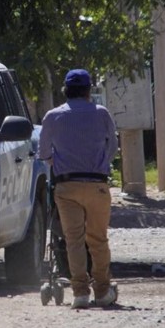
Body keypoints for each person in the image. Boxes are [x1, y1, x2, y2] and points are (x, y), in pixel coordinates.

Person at [39, 69, 119, 309]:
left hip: (66, 185)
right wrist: (101, 164)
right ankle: (102, 291)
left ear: (65, 90)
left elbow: (44, 152)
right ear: (88, 90)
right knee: (98, 240)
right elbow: (113, 146)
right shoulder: (101, 113)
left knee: (73, 240)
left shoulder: (53, 116)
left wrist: (58, 164)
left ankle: (80, 293)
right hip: (97, 184)